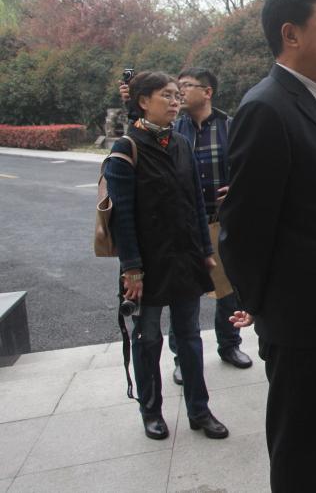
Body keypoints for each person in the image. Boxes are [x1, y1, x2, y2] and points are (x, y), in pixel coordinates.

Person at [219, 0, 316, 492]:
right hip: (303, 327)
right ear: (291, 34)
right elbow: (243, 229)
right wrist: (268, 313)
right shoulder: (266, 108)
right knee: (305, 461)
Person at [105, 71, 229, 441]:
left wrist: (205, 250)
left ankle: (199, 410)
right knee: (147, 340)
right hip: (147, 264)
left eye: (177, 95)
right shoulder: (126, 149)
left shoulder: (181, 144)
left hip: (186, 257)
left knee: (190, 337)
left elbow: (195, 203)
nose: (175, 101)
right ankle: (151, 412)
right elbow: (123, 218)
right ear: (143, 101)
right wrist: (132, 269)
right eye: (166, 95)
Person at [163, 67, 252, 387]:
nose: (180, 91)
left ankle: (229, 345)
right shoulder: (173, 129)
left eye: (187, 86)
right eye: (178, 86)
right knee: (184, 294)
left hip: (223, 221)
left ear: (208, 92)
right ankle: (182, 358)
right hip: (185, 225)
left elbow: (250, 165)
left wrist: (240, 189)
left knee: (228, 290)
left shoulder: (230, 126)